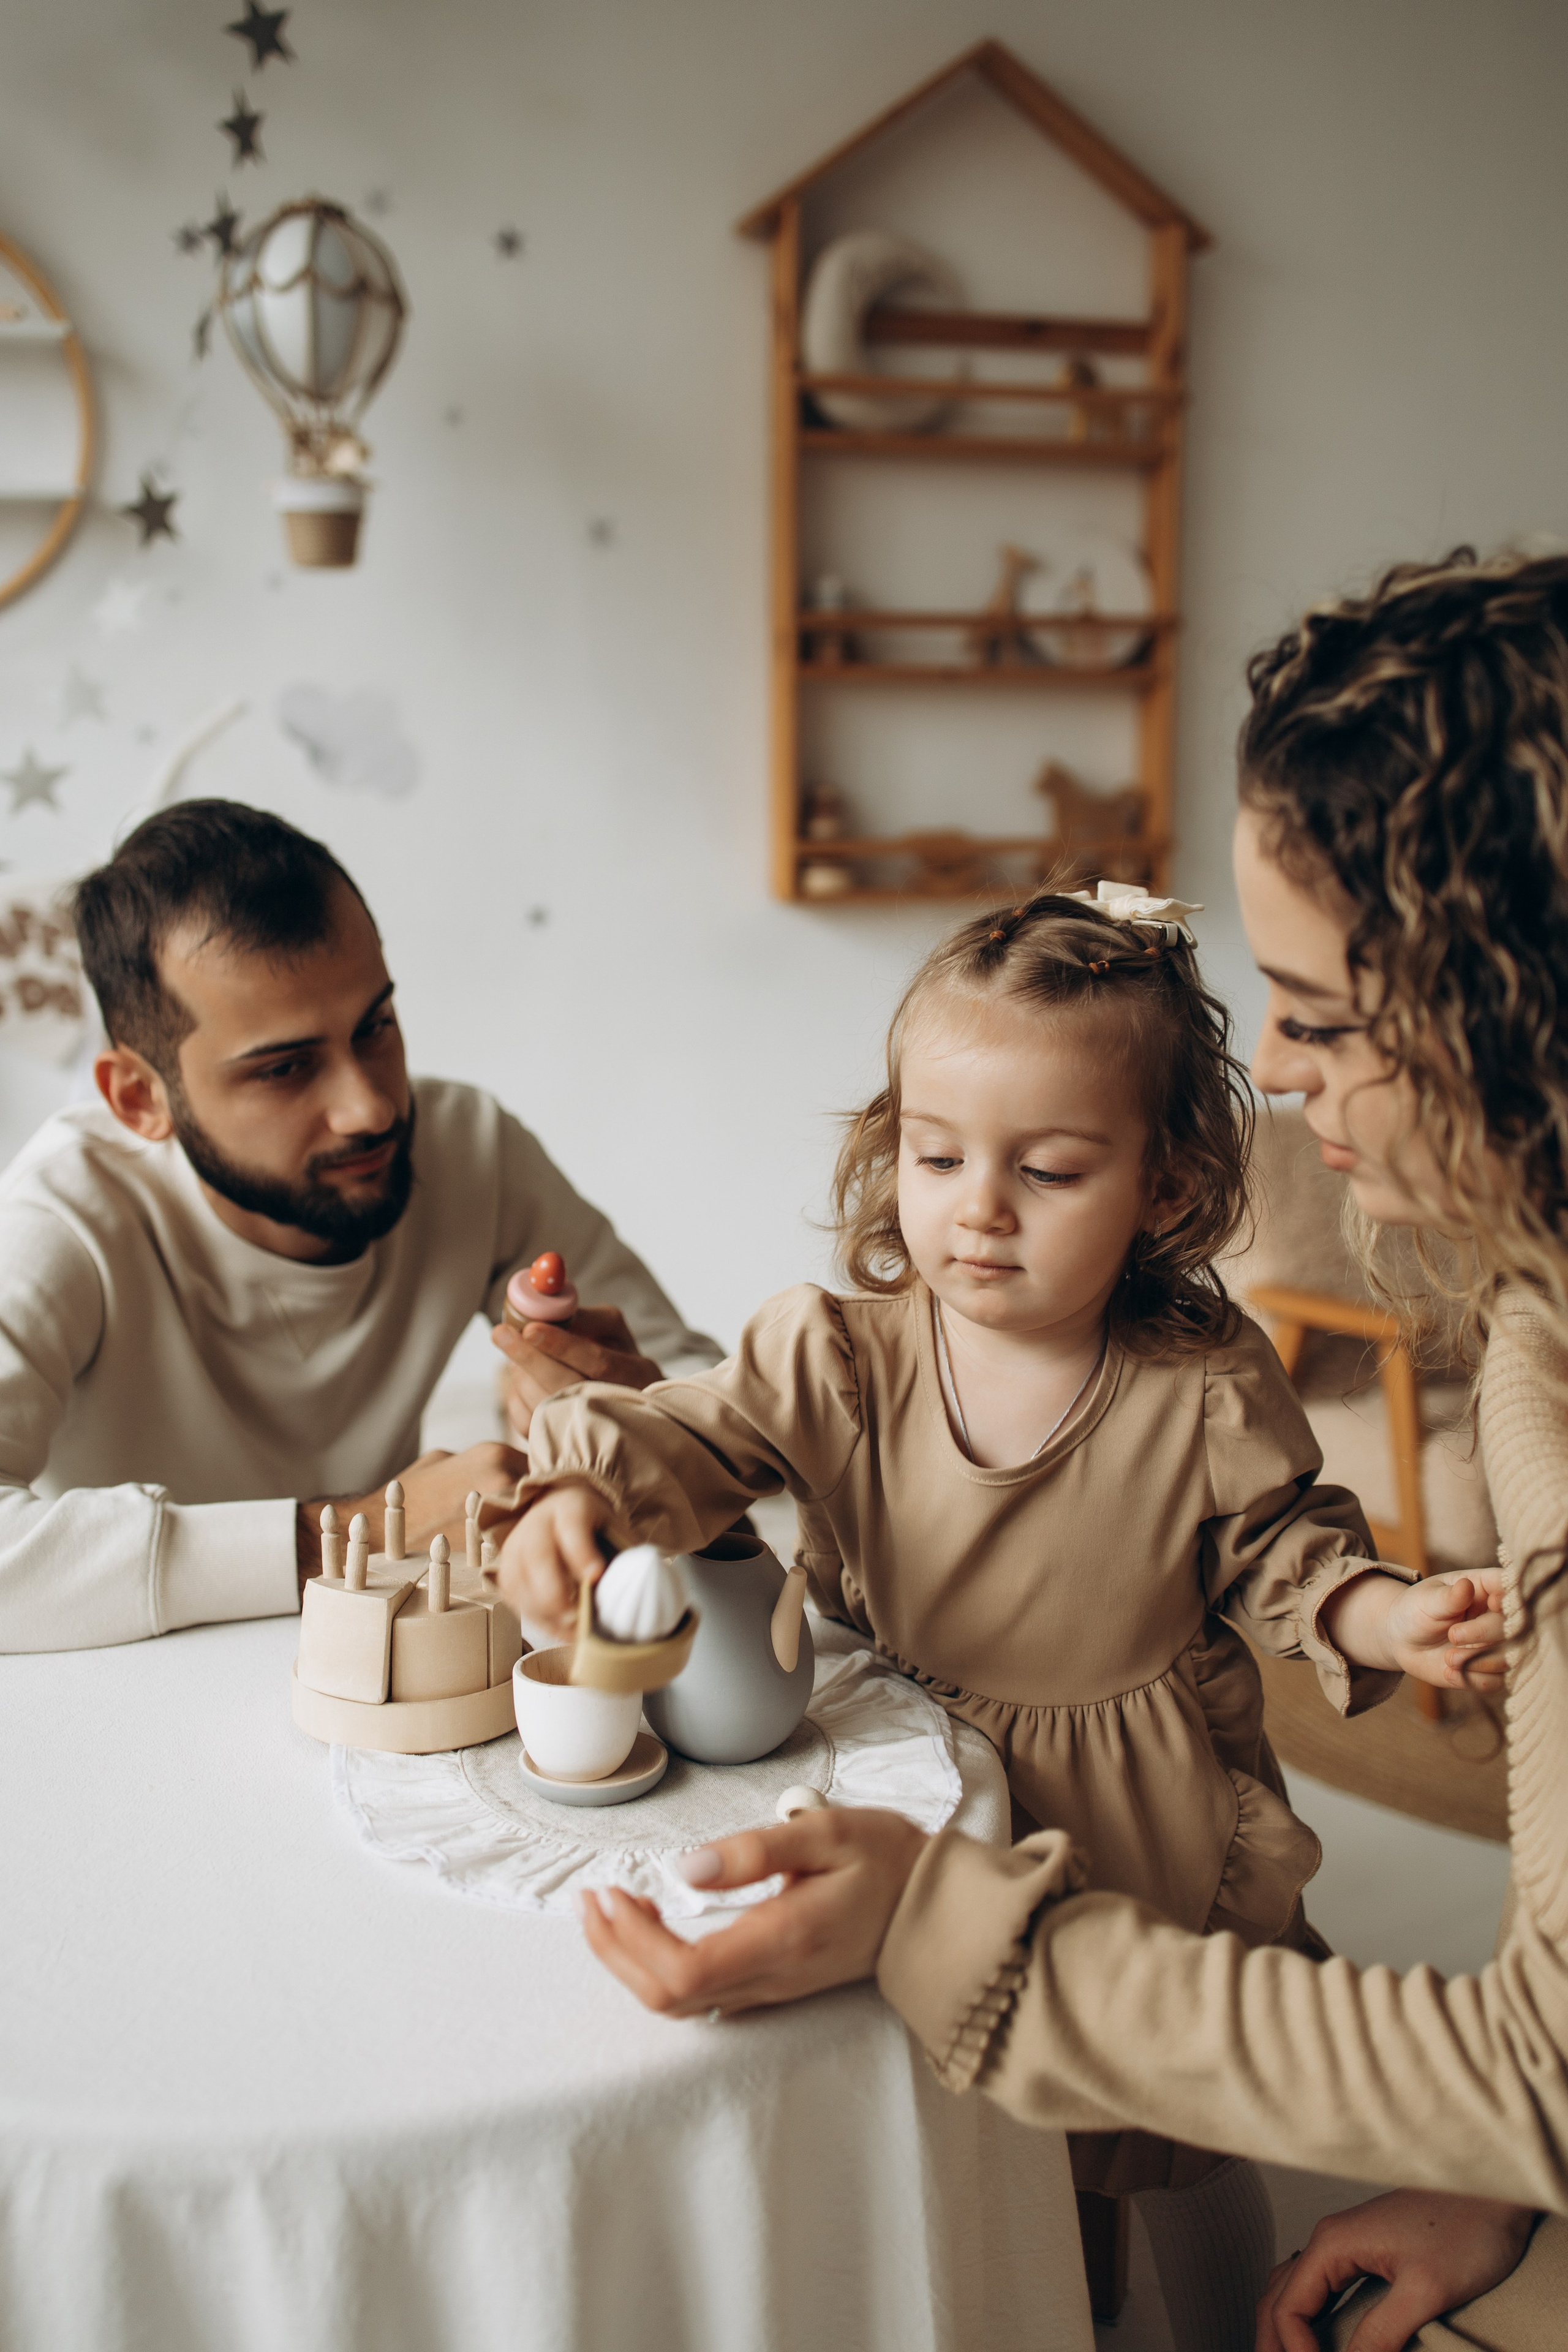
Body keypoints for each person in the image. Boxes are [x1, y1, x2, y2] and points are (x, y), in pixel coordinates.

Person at [567, 549, 1568, 2352]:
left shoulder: (1199, 1384)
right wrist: (577, 1474)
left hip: (1134, 1811)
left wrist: (1370, 1618)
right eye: (941, 1159)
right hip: (917, 1771)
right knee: (951, 2160)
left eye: (1323, 1019)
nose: (979, 1213)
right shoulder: (842, 1354)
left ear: (1164, 1191)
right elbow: (693, 1437)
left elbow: (1287, 1550)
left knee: (1175, 2173)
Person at [0, 798, 720, 1653]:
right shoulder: (63, 1214)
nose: (372, 1106)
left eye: (375, 1025)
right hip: (132, 1705)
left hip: (385, 1682)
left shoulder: (470, 1148)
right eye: (285, 1069)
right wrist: (358, 1533)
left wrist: (626, 1417)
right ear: (140, 1098)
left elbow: (708, 1399)